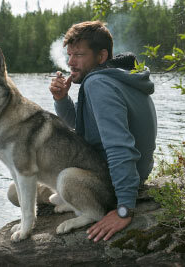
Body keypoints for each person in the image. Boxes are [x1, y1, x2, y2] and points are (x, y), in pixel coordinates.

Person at [49, 20, 157, 242]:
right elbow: (81, 126)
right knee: (17, 191)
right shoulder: (114, 77)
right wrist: (61, 100)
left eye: (78, 55)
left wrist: (124, 209)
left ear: (101, 56)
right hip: (128, 176)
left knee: (64, 179)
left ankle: (87, 208)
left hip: (115, 185)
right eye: (69, 55)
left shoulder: (98, 84)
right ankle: (71, 199)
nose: (70, 62)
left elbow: (119, 146)